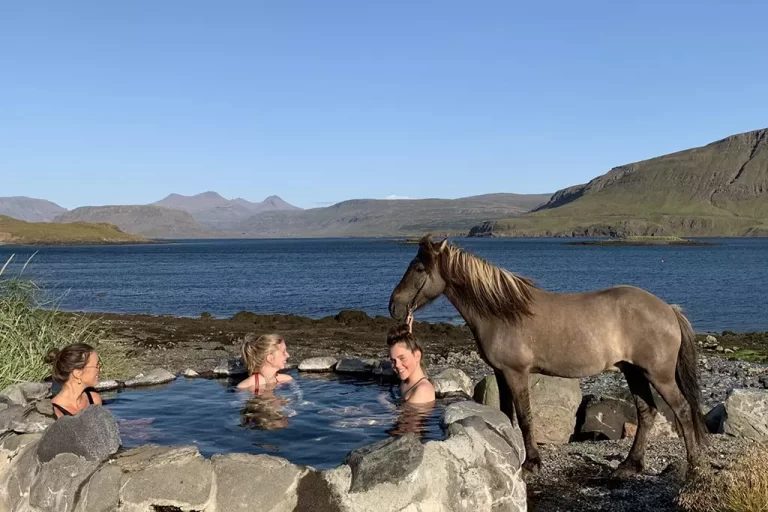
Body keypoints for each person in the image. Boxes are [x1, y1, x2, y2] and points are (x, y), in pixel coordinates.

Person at [45, 343, 103, 419]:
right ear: (78, 373)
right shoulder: (55, 412)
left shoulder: (94, 399)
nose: (100, 370)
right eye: (97, 366)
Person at [386, 322, 435, 404]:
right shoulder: (406, 381)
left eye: (402, 358)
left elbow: (404, 416)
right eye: (393, 360)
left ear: (417, 356)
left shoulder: (423, 390)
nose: (397, 365)